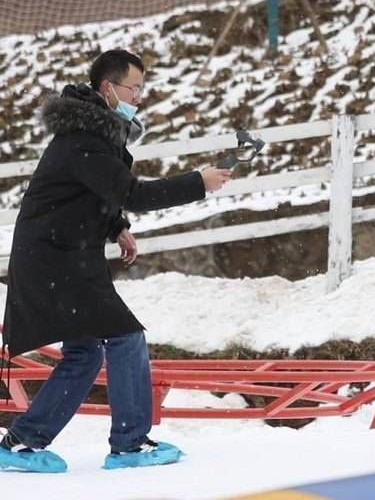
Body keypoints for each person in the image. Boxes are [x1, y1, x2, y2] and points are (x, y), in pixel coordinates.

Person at [0, 50, 233, 473]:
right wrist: (198, 182)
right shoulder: (83, 138)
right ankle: (129, 444)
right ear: (109, 89)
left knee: (85, 353)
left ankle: (21, 444)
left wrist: (113, 227)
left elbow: (81, 194)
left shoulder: (92, 133)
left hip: (58, 255)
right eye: (135, 88)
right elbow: (133, 193)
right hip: (55, 261)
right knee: (125, 337)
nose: (140, 97)